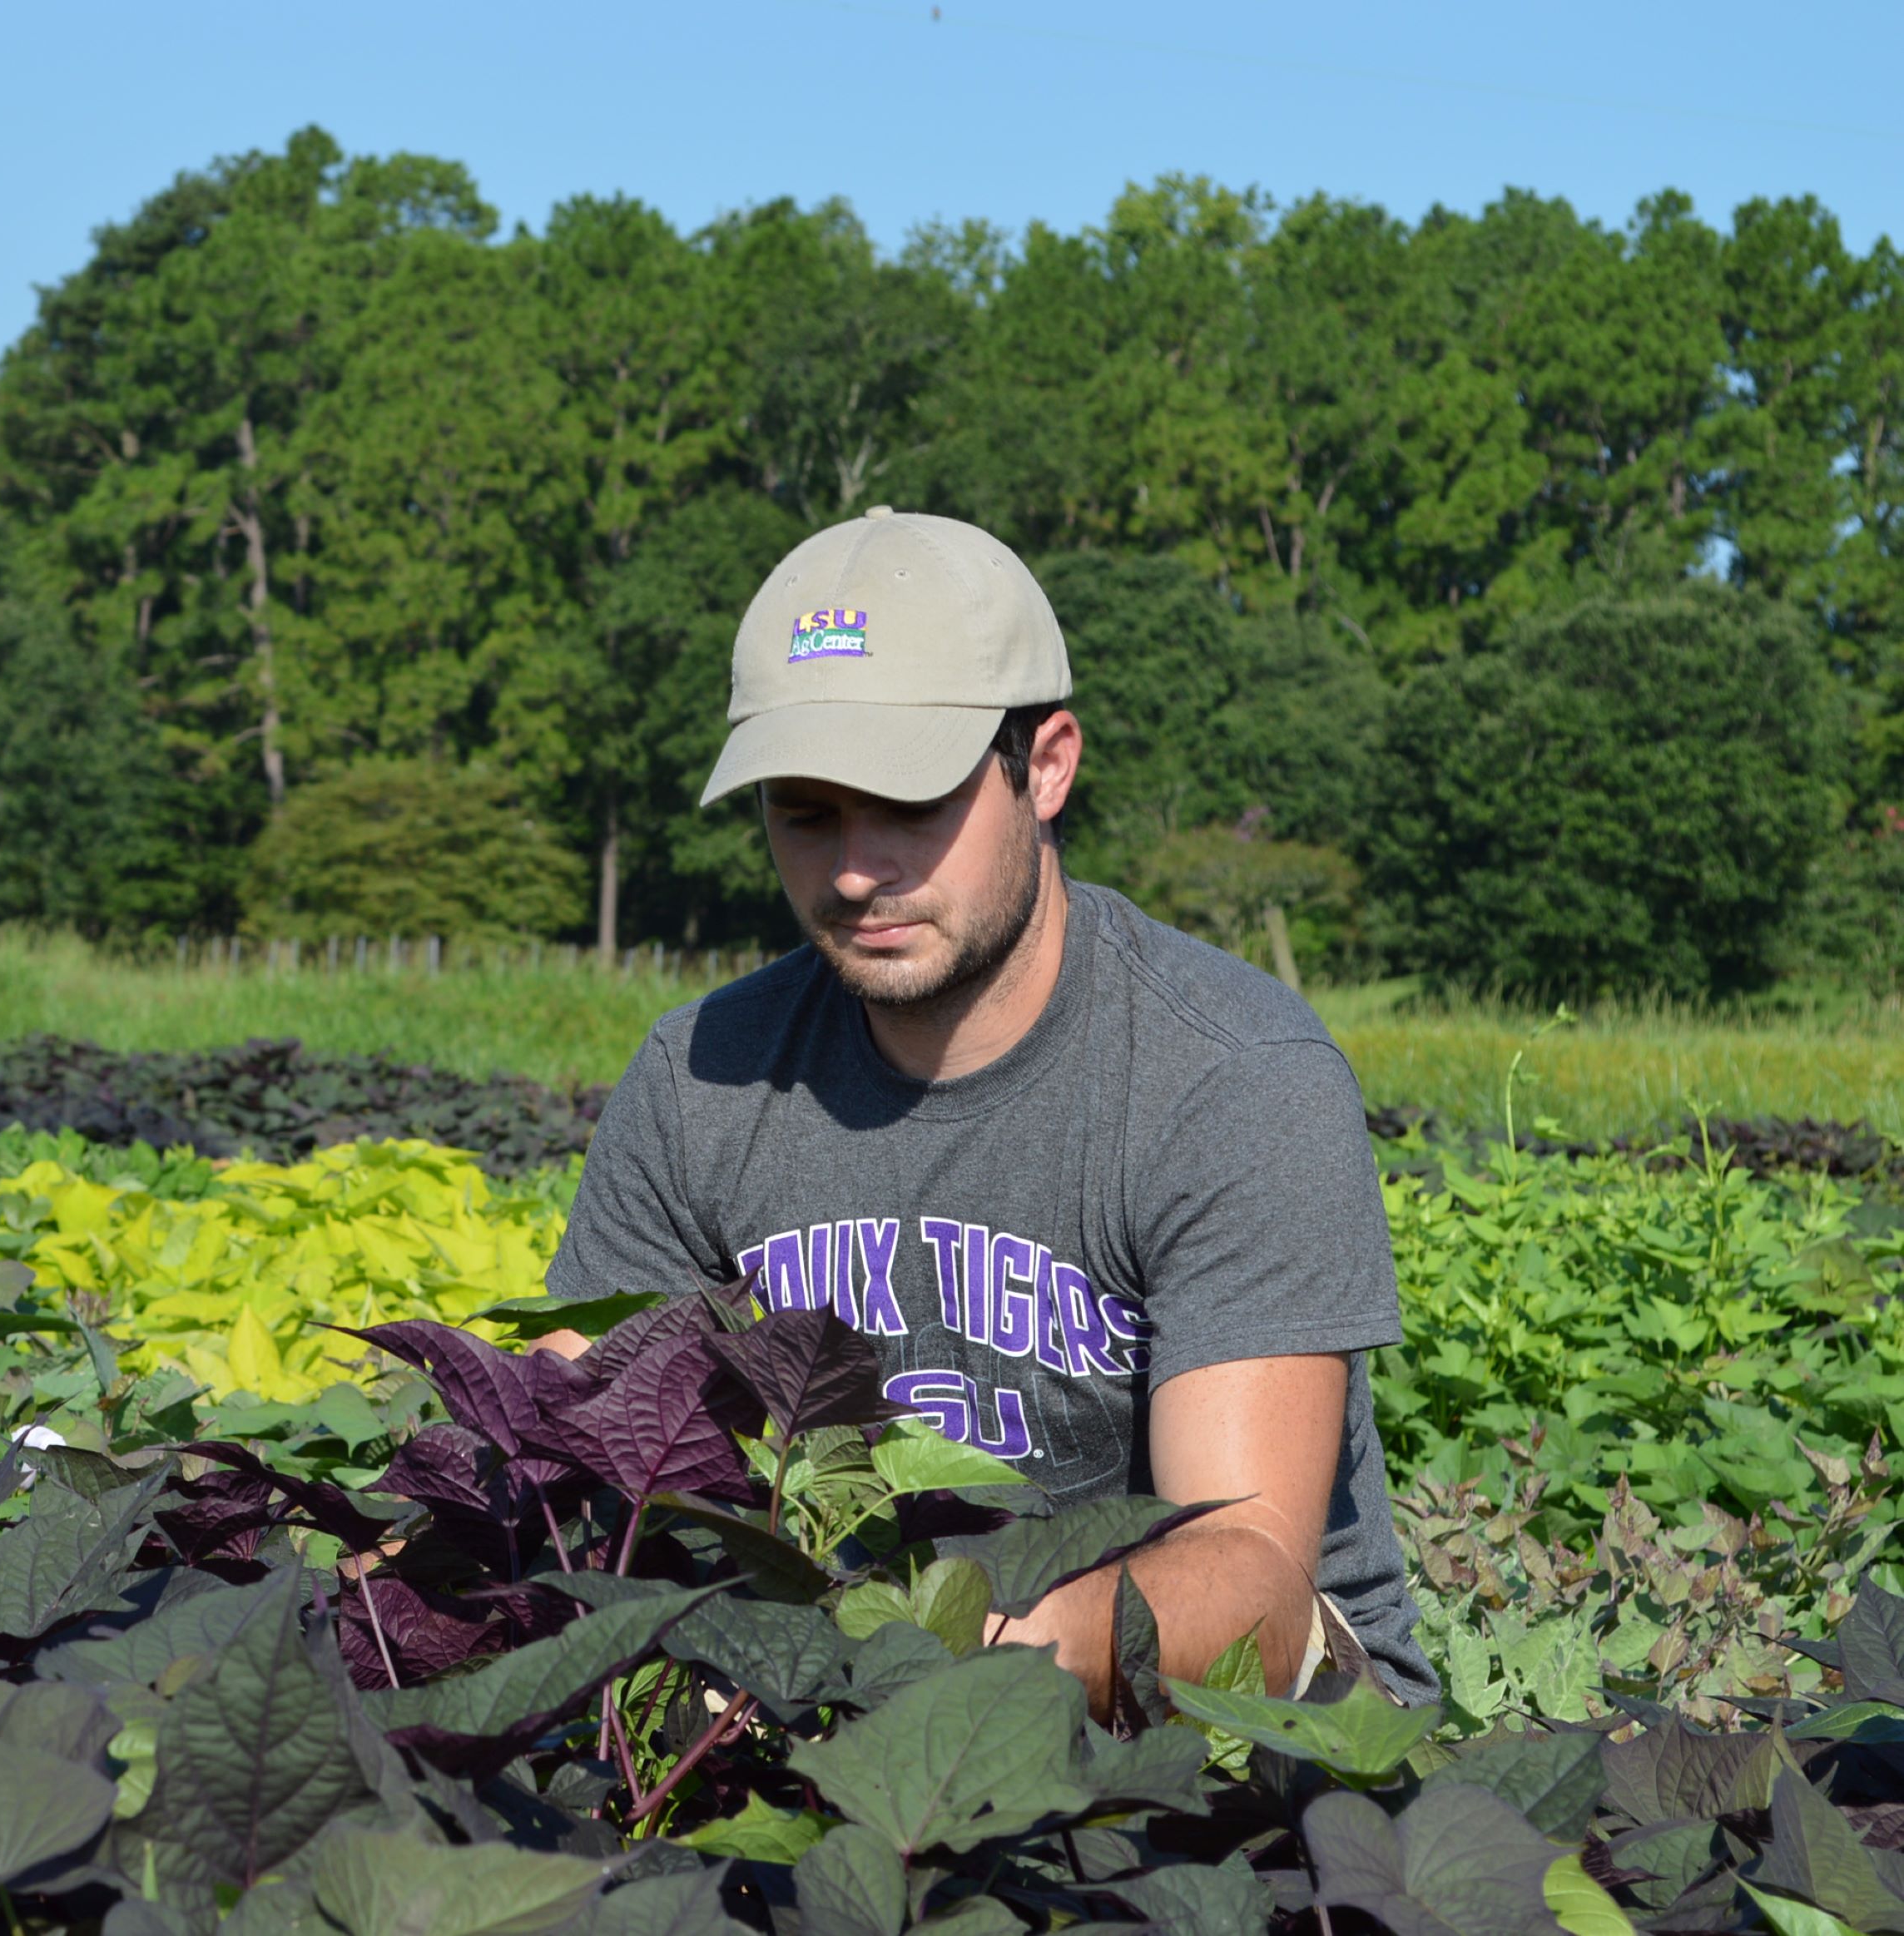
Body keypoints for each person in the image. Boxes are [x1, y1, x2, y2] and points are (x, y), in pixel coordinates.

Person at [543, 507, 1435, 1711]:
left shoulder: (1229, 1079)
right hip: (828, 1709)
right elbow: (565, 1432)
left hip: (1226, 1746)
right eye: (805, 812)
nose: (855, 870)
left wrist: (965, 1673)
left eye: (909, 801)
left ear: (1049, 766)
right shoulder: (707, 1075)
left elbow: (1258, 1581)